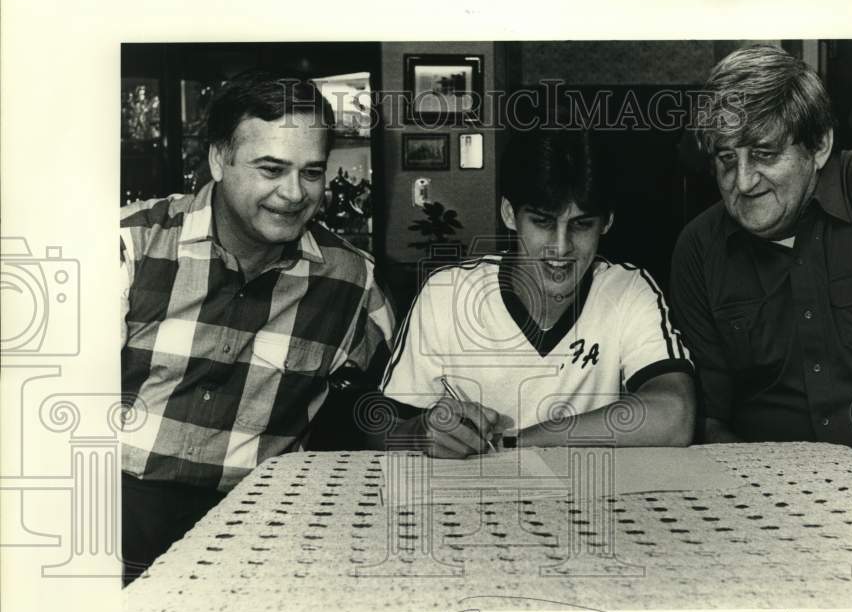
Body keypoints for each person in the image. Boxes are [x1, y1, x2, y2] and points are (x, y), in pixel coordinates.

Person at [119, 70, 395, 582]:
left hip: (258, 532)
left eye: (312, 172)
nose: (294, 194)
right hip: (116, 514)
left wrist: (425, 425)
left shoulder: (350, 279)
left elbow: (381, 404)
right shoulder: (130, 247)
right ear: (219, 159)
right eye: (271, 169)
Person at [670, 44, 852, 501]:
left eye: (764, 153)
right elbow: (709, 422)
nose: (743, 182)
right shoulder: (699, 249)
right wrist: (768, 497)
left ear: (819, 145)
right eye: (727, 159)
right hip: (776, 508)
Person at [380, 127, 695, 457]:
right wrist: (421, 433)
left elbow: (675, 415)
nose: (561, 247)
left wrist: (517, 441)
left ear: (607, 222)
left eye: (581, 224)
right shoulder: (447, 292)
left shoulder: (628, 289)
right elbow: (381, 431)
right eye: (543, 222)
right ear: (509, 215)